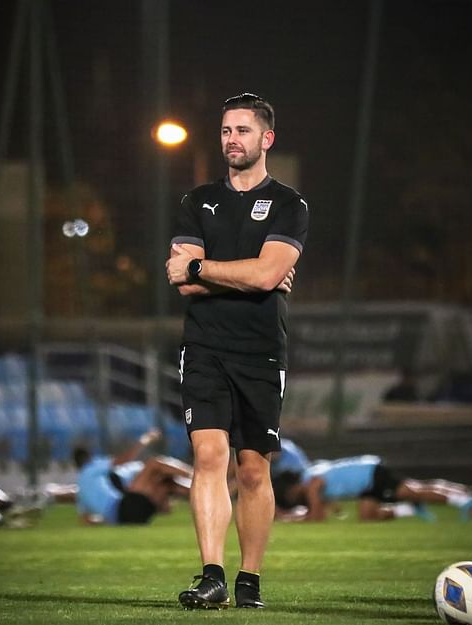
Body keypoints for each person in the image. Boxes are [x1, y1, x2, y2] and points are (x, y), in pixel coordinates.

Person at [166, 92, 309, 610]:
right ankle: (212, 576)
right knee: (209, 456)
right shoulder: (196, 200)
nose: (232, 140)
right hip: (204, 346)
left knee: (253, 469)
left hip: (261, 351)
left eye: (243, 131)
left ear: (266, 138)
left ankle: (249, 581)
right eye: (226, 131)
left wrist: (206, 269)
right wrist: (250, 276)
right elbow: (184, 284)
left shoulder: (290, 205)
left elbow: (264, 273)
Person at [272, 454, 472, 523]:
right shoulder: (312, 472)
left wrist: (288, 518)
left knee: (415, 489)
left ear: (292, 488)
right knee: (367, 515)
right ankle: (412, 509)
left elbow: (316, 515)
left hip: (371, 474)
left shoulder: (311, 482)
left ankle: (465, 498)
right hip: (364, 483)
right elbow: (324, 504)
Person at [73, 430, 192, 525]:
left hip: (128, 518)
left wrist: (109, 520)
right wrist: (146, 439)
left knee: (166, 484)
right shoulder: (91, 467)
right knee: (154, 464)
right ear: (88, 457)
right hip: (126, 506)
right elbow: (124, 460)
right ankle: (195, 475)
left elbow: (86, 519)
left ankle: (172, 500)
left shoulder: (80, 490)